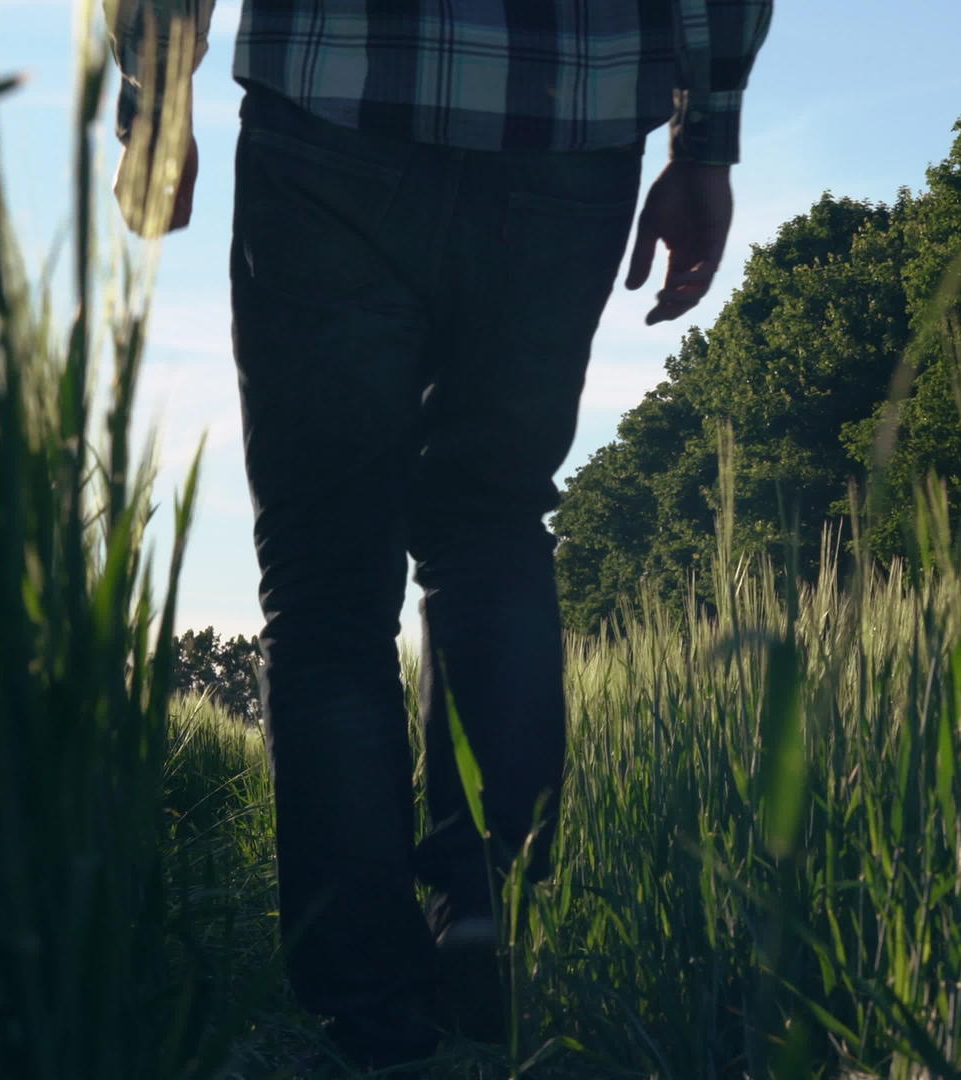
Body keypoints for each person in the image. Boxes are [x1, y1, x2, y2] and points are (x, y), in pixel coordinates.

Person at [104, 0, 773, 1070]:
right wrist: (707, 140)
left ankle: (368, 1005)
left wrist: (155, 94)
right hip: (572, 128)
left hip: (331, 106)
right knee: (492, 522)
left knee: (325, 579)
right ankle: (485, 912)